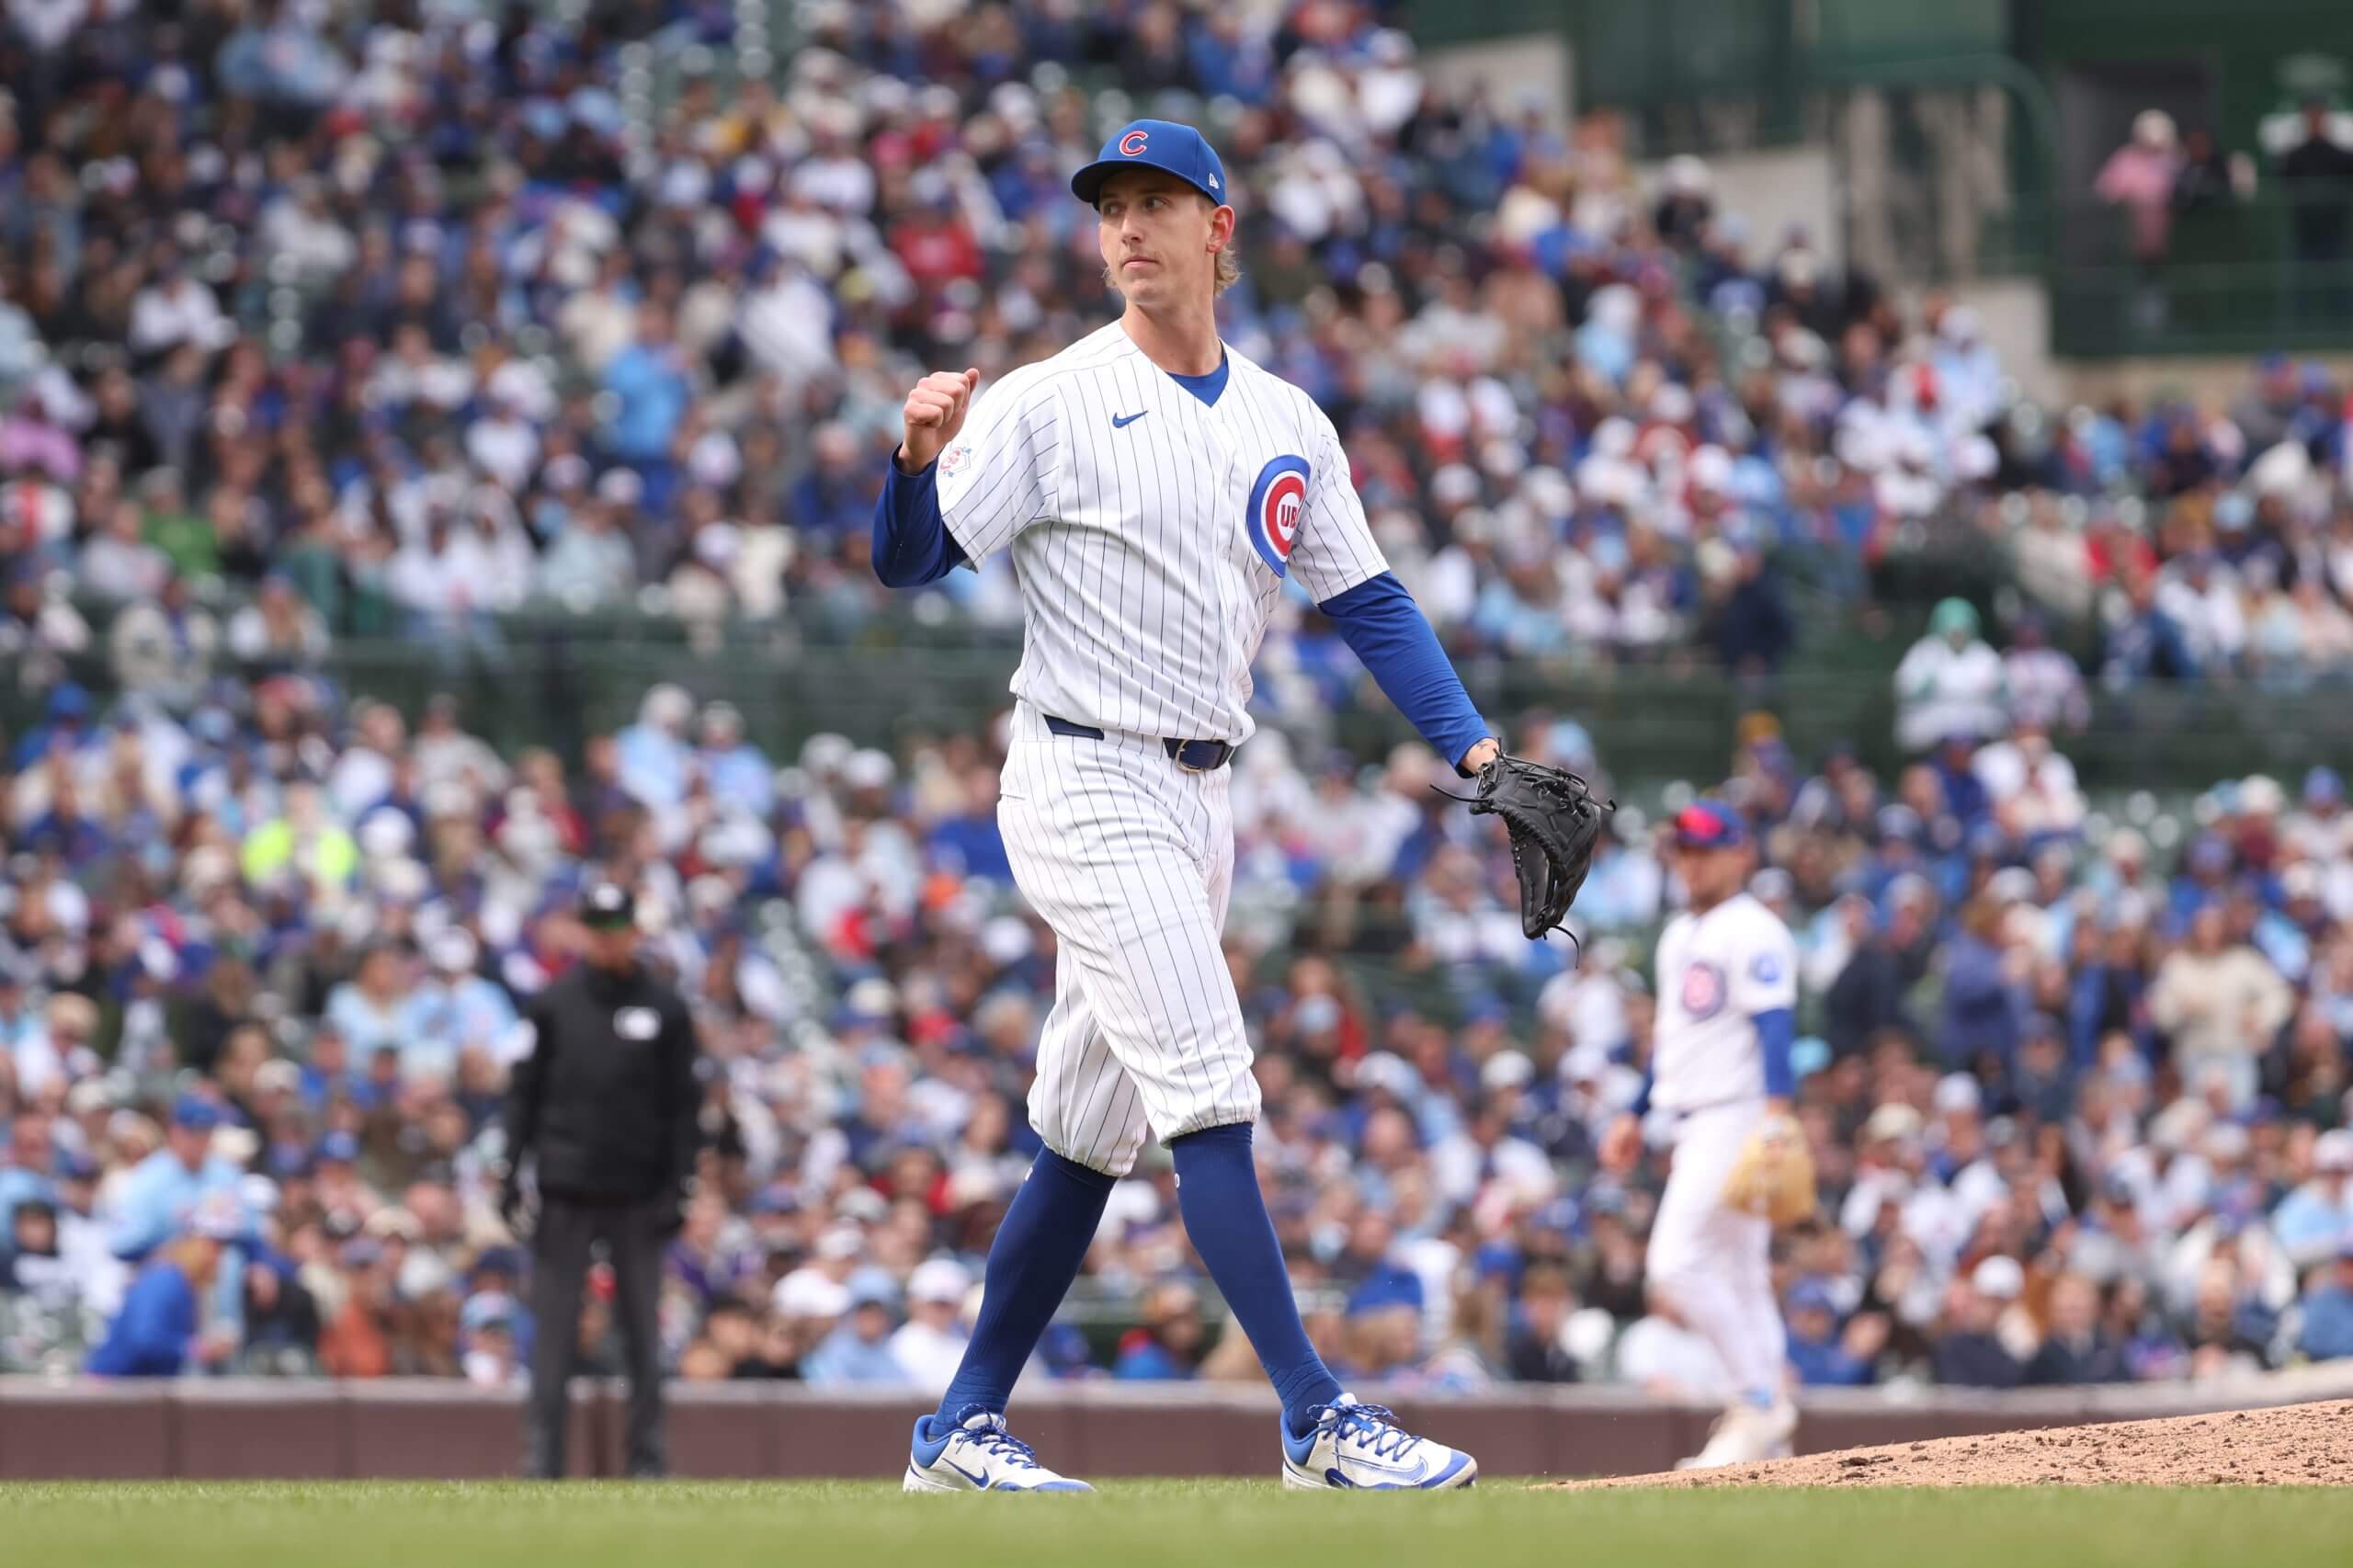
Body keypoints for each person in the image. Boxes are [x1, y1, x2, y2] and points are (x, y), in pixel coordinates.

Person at [872, 119, 1488, 1493]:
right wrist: (912, 457)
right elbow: (911, 565)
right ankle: (1318, 1418)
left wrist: (1475, 750)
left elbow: (1369, 599)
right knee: (1209, 1090)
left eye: (1158, 202)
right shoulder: (1046, 398)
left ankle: (957, 1429)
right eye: (1111, 206)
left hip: (1202, 793)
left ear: (1220, 226)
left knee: (1087, 1129)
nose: (1129, 227)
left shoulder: (1285, 417)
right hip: (1082, 771)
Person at [1599, 800, 1802, 1467]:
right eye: (1681, 849)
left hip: (1737, 1114)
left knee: (1676, 1264)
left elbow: (1775, 1026)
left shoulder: (1755, 930)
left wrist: (1778, 1112)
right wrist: (1635, 1109)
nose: (1689, 860)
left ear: (1741, 853)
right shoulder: (1678, 933)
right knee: (1741, 1272)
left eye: (1703, 848)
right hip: (1691, 1116)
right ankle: (1766, 1433)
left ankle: (1756, 1401)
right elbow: (1673, 1040)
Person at [497, 881, 701, 1480]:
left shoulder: (665, 1008)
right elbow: (523, 1096)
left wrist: (679, 1185)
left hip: (638, 1193)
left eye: (618, 928)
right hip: (566, 1189)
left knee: (641, 1334)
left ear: (635, 931)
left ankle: (647, 1462)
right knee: (554, 1335)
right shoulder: (554, 1005)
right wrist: (510, 1171)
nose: (609, 940)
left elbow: (683, 1108)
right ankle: (543, 1462)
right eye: (599, 929)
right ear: (586, 932)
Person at [86, 1193, 246, 1377]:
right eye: (213, 1246)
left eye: (222, 1249)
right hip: (109, 1388)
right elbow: (144, 1340)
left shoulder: (183, 1282)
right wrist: (197, 1349)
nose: (218, 1258)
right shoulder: (166, 1279)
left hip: (135, 1392)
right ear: (189, 1242)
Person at [1893, 598, 2006, 753]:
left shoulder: (1983, 653)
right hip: (1932, 732)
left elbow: (2002, 689)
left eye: (1963, 630)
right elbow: (1903, 687)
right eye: (1953, 630)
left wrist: (2000, 688)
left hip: (1977, 732)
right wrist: (1922, 689)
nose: (1957, 635)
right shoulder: (1924, 651)